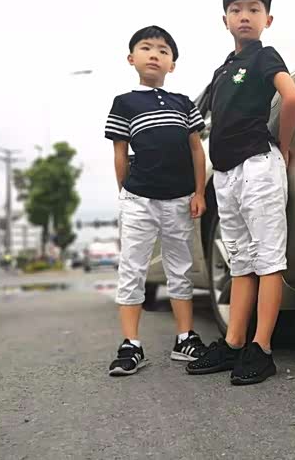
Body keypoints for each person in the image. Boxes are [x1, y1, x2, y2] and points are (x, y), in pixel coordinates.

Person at [187, 0, 295, 385]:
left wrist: (284, 147)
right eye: (236, 10)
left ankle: (262, 348)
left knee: (268, 259)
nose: (245, 16)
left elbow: (292, 98)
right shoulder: (223, 69)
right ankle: (234, 342)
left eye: (254, 9)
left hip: (257, 166)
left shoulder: (264, 56)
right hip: (225, 174)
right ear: (225, 20)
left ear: (267, 19)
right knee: (240, 261)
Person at [104, 25, 209, 376]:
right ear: (131, 58)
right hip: (139, 199)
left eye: (163, 51)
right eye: (146, 48)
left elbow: (196, 150)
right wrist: (125, 191)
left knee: (180, 269)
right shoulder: (124, 103)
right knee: (132, 268)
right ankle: (131, 344)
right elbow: (120, 153)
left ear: (172, 64)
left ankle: (185, 339)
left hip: (180, 199)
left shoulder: (183, 103)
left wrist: (199, 192)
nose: (154, 55)